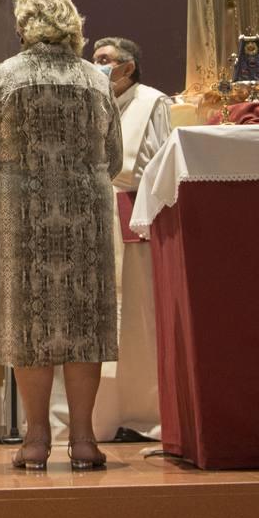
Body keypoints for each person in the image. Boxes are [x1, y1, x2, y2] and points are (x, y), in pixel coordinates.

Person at [0, 0, 123, 471]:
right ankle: (83, 439)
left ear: (24, 27)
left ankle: (35, 439)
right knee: (83, 324)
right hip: (84, 217)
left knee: (27, 324)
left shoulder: (3, 77)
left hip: (21, 220)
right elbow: (114, 157)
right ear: (73, 25)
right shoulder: (95, 82)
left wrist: (16, 182)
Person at [49, 37, 170, 443]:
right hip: (89, 222)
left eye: (105, 60)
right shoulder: (90, 102)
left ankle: (141, 415)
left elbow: (159, 162)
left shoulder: (153, 102)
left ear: (129, 67)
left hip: (133, 222)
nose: (96, 66)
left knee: (136, 321)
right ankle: (97, 418)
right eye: (94, 59)